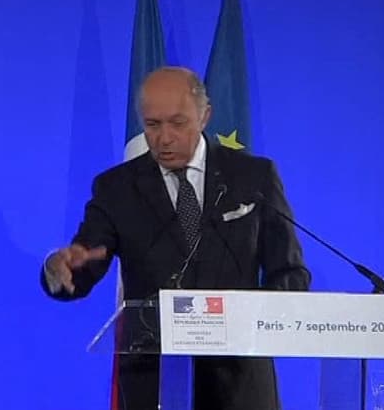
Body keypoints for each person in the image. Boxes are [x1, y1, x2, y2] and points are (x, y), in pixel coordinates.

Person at [41, 66, 311, 410]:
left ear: (205, 115)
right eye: (152, 125)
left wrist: (254, 319)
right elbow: (82, 266)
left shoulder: (253, 177)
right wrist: (58, 268)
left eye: (177, 123)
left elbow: (290, 272)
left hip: (241, 383)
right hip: (153, 383)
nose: (164, 137)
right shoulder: (116, 189)